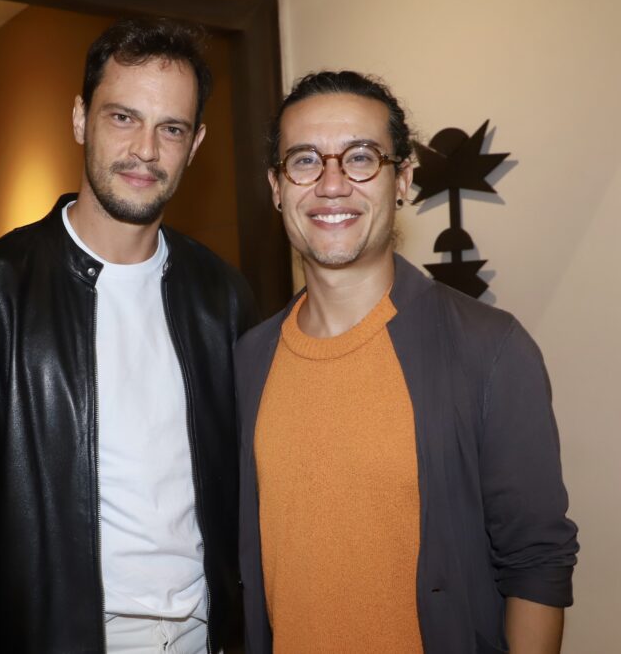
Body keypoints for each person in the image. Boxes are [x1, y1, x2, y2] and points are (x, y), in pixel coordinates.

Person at [0, 18, 257, 653]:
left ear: (196, 143)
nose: (146, 150)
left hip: (206, 635)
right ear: (80, 119)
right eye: (123, 118)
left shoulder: (223, 297)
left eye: (171, 128)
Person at [236, 71, 579, 654]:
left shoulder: (490, 348)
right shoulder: (250, 359)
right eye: (304, 161)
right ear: (276, 186)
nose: (332, 184)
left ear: (403, 180)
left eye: (361, 158)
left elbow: (537, 563)